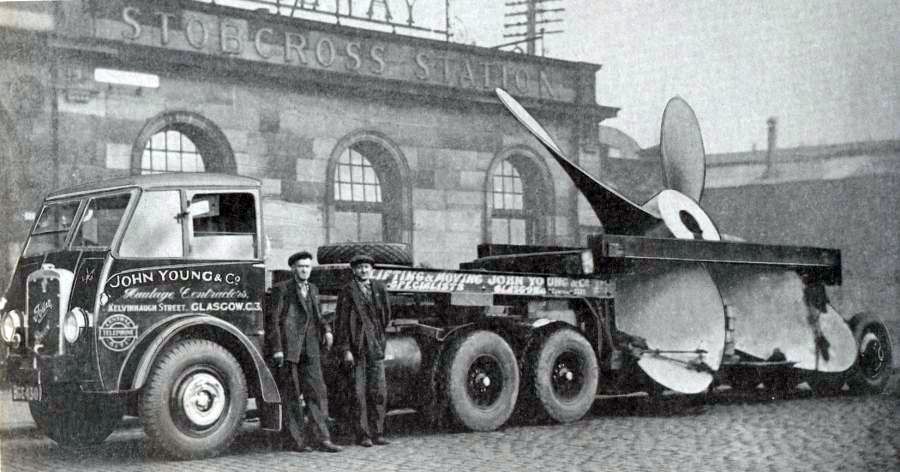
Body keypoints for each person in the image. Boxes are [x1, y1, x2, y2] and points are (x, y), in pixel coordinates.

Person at [267, 251, 342, 453]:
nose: (304, 270)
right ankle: (297, 441)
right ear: (293, 269)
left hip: (311, 348)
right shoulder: (281, 289)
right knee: (291, 396)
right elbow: (273, 321)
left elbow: (318, 315)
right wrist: (277, 350)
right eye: (301, 266)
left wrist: (327, 330)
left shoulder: (314, 289)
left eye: (308, 266)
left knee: (317, 393)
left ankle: (323, 439)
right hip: (289, 349)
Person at [334, 254, 391, 447]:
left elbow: (385, 316)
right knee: (358, 392)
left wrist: (379, 339)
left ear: (371, 269)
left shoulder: (379, 288)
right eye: (360, 268)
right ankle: (363, 434)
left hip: (374, 346)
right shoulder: (347, 291)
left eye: (366, 267)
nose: (363, 270)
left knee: (378, 391)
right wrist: (345, 349)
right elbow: (340, 323)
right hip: (356, 347)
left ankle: (378, 432)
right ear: (354, 270)